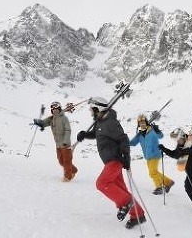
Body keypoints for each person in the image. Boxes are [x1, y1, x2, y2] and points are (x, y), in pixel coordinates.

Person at [76, 97, 146, 229]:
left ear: (99, 109)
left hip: (115, 160)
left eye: (92, 109)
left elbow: (123, 138)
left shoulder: (110, 122)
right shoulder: (100, 122)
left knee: (102, 183)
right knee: (121, 189)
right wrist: (85, 134)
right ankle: (138, 215)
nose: (91, 112)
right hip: (109, 160)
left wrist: (126, 156)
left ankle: (126, 203)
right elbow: (97, 134)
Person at [129, 114, 175, 195]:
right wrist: (123, 141)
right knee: (152, 173)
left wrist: (157, 130)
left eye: (143, 122)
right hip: (148, 156)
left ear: (146, 122)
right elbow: (132, 143)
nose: (142, 124)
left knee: (153, 172)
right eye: (140, 123)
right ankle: (168, 182)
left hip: (155, 154)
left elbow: (161, 136)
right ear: (138, 124)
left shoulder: (152, 130)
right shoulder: (139, 135)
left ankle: (159, 187)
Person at [33, 101, 78, 182]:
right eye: (53, 109)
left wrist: (66, 141)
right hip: (58, 144)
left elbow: (68, 130)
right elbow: (44, 123)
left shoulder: (64, 118)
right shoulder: (52, 119)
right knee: (61, 161)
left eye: (56, 108)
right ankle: (73, 170)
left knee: (67, 161)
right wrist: (40, 123)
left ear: (59, 109)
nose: (55, 110)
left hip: (65, 143)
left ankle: (68, 177)